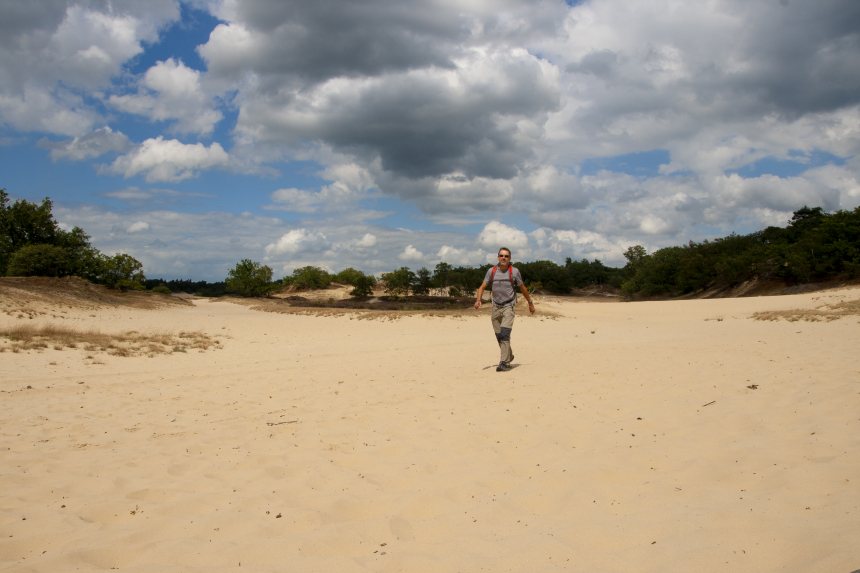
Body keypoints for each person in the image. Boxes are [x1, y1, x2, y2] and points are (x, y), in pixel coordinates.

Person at [473, 247, 535, 371]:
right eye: (501, 256)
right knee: (499, 336)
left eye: (506, 256)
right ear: (498, 257)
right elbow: (482, 287)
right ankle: (509, 355)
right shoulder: (491, 271)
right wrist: (478, 300)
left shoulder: (514, 271)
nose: (503, 258)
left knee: (505, 333)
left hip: (509, 306)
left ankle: (504, 363)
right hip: (495, 306)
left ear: (510, 258)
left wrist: (530, 303)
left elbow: (522, 288)